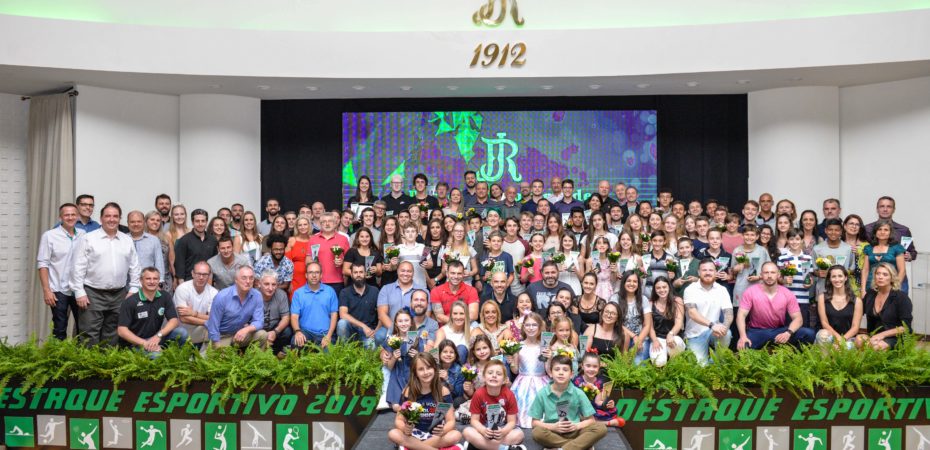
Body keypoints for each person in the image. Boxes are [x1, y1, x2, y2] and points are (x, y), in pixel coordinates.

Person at [70, 202, 141, 346]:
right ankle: (89, 367)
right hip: (92, 293)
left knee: (112, 334)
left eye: (115, 216)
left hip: (119, 294)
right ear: (101, 218)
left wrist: (134, 288)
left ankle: (107, 367)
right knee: (89, 333)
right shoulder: (88, 238)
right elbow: (78, 267)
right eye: (108, 216)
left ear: (119, 218)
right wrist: (79, 291)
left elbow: (135, 267)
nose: (111, 219)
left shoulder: (127, 240)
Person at [529, 353, 608, 450]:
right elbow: (534, 423)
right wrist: (553, 427)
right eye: (557, 369)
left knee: (601, 428)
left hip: (575, 431)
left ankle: (562, 448)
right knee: (537, 432)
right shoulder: (542, 393)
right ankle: (579, 446)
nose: (561, 373)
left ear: (571, 374)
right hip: (553, 431)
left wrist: (576, 426)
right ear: (550, 373)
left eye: (565, 370)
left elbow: (591, 420)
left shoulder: (578, 393)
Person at [387, 353, 462, 450]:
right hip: (414, 434)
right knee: (393, 434)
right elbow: (399, 420)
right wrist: (405, 428)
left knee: (456, 435)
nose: (426, 372)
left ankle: (413, 447)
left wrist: (443, 430)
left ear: (435, 369)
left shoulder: (443, 391)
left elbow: (451, 420)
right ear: (415, 373)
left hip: (434, 435)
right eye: (421, 369)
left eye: (429, 367)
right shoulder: (409, 391)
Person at [736, 262, 816, 350]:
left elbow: (798, 319)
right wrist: (743, 336)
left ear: (778, 274)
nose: (769, 276)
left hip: (779, 331)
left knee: (809, 334)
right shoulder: (750, 291)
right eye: (766, 272)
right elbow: (741, 315)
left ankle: (792, 360)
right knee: (744, 346)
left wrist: (788, 333)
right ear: (761, 274)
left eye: (773, 272)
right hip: (757, 331)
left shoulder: (787, 293)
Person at [38, 203, 86, 340]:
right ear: (60, 217)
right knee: (59, 328)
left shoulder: (83, 235)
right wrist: (47, 290)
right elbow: (43, 264)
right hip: (58, 289)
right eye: (66, 215)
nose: (70, 217)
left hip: (79, 289)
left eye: (73, 214)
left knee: (83, 328)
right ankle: (59, 359)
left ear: (77, 216)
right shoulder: (49, 236)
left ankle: (80, 359)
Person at [116, 267, 187, 357]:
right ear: (141, 281)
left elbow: (174, 320)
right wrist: (145, 343)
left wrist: (158, 335)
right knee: (157, 356)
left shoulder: (165, 296)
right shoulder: (130, 301)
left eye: (155, 278)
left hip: (155, 338)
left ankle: (177, 361)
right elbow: (122, 331)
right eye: (148, 279)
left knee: (182, 333)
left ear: (159, 280)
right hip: (135, 343)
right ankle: (161, 354)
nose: (152, 282)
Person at [463, 359, 526, 449]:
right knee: (467, 432)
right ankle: (504, 448)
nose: (494, 376)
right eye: (490, 373)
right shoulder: (478, 394)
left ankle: (479, 446)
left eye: (499, 374)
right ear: (484, 377)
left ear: (504, 380)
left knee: (519, 434)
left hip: (502, 429)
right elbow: (474, 420)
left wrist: (503, 432)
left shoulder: (509, 395)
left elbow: (512, 421)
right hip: (484, 429)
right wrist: (483, 431)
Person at [684, 259, 734, 365]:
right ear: (698, 272)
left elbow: (728, 313)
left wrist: (724, 328)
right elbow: (692, 313)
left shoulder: (722, 290)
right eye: (704, 270)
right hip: (694, 335)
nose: (707, 273)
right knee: (701, 367)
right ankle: (708, 364)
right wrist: (712, 325)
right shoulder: (690, 289)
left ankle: (716, 361)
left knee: (727, 333)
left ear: (715, 272)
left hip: (713, 332)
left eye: (711, 270)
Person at [206, 266, 266, 348]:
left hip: (240, 334)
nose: (248, 281)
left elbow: (259, 321)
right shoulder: (222, 296)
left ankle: (254, 360)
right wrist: (217, 345)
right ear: (236, 280)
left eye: (251, 278)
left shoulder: (257, 295)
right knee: (217, 358)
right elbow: (213, 325)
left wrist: (246, 329)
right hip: (221, 336)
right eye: (244, 278)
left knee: (262, 335)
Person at [507, 312, 549, 428]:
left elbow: (548, 371)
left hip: (541, 380)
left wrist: (549, 358)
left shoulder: (544, 346)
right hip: (523, 382)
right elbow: (515, 370)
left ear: (540, 327)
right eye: (528, 325)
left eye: (534, 325)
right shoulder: (518, 346)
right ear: (523, 327)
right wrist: (511, 363)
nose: (531, 328)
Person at [858, 262, 912, 350]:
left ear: (892, 278)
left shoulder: (901, 297)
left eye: (885, 274)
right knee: (859, 339)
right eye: (877, 274)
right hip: (874, 336)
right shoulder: (870, 294)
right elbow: (857, 312)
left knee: (877, 346)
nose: (880, 277)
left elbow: (905, 328)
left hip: (895, 337)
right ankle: (863, 363)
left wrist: (882, 335)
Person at [291, 261, 339, 350]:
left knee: (328, 357)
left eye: (317, 272)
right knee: (296, 342)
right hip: (306, 333)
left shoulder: (330, 291)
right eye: (311, 272)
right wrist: (297, 331)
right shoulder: (298, 293)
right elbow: (294, 316)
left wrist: (329, 335)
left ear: (321, 275)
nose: (314, 275)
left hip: (325, 333)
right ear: (306, 275)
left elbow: (334, 315)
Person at [815, 265, 863, 349]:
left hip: (848, 339)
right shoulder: (822, 298)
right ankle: (825, 362)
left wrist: (842, 341)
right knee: (823, 334)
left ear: (846, 278)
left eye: (840, 276)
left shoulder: (857, 301)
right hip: (828, 338)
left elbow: (855, 327)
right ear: (830, 279)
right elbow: (824, 323)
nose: (837, 280)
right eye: (833, 276)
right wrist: (838, 339)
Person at [573, 352, 625, 427]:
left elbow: (598, 402)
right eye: (588, 366)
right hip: (580, 408)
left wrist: (608, 404)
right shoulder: (577, 381)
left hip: (594, 408)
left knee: (597, 414)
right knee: (580, 416)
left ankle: (594, 422)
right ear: (582, 366)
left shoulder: (600, 382)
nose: (591, 369)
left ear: (599, 367)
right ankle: (608, 423)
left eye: (595, 367)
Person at [337, 263, 382, 349]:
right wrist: (363, 326)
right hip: (351, 331)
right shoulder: (344, 292)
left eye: (361, 272)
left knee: (372, 348)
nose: (358, 275)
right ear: (351, 274)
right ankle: (345, 351)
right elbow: (343, 314)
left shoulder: (374, 291)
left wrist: (376, 331)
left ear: (365, 274)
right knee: (342, 323)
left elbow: (382, 313)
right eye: (355, 272)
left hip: (369, 332)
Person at [861, 219, 908, 293]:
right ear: (875, 232)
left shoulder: (897, 248)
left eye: (886, 230)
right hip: (870, 286)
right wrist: (863, 290)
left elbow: (902, 271)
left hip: (890, 287)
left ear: (890, 233)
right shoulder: (868, 248)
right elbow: (865, 270)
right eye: (879, 229)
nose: (882, 232)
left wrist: (894, 287)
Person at [865, 196, 916, 262]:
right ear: (877, 209)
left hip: (896, 270)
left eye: (889, 206)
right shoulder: (867, 229)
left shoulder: (904, 230)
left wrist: (910, 256)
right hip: (873, 269)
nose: (885, 209)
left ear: (894, 210)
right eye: (882, 206)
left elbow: (912, 252)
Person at [173, 209, 217, 285]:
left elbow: (215, 262)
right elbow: (180, 265)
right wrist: (181, 284)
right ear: (193, 222)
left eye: (203, 221)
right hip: (189, 282)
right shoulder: (184, 240)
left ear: (206, 222)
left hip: (208, 282)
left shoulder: (213, 240)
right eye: (197, 221)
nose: (200, 224)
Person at [648, 277, 685, 367]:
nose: (662, 290)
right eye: (658, 288)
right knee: (659, 362)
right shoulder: (650, 303)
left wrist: (671, 334)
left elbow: (679, 323)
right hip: (658, 338)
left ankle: (673, 362)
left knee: (675, 343)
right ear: (655, 289)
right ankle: (664, 361)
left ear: (669, 287)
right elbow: (650, 327)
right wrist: (655, 340)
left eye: (664, 287)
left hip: (674, 336)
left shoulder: (677, 301)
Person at [429, 260, 480, 325]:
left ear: (463, 274)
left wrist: (459, 324)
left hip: (466, 325)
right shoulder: (436, 291)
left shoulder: (471, 290)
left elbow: (473, 315)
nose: (456, 277)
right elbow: (439, 317)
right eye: (453, 273)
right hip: (446, 326)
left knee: (475, 324)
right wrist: (457, 323)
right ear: (447, 274)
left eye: (459, 273)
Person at [257, 270, 292, 355]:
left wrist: (275, 332)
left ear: (277, 285)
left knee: (287, 331)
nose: (270, 288)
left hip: (274, 328)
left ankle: (276, 353)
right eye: (266, 284)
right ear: (259, 284)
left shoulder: (281, 294)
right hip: (257, 329)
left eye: (273, 284)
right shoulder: (253, 295)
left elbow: (286, 317)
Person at [127, 210, 165, 285]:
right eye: (132, 222)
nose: (136, 224)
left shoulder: (154, 240)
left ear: (144, 222)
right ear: (128, 223)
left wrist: (160, 283)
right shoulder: (122, 239)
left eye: (139, 221)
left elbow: (159, 263)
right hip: (126, 286)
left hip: (149, 285)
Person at [145, 210, 174, 291]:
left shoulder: (166, 238)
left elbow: (171, 261)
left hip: (165, 278)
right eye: (152, 219)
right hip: (147, 279)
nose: (155, 222)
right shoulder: (142, 238)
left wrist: (175, 278)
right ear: (146, 221)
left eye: (158, 220)